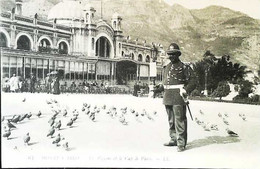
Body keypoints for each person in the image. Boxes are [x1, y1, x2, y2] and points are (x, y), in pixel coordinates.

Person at [162, 42, 194, 152]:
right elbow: (166, 83)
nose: (171, 56)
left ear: (178, 55)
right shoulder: (167, 67)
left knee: (180, 120)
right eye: (169, 54)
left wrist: (186, 89)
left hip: (178, 97)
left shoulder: (184, 67)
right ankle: (173, 139)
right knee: (171, 120)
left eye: (173, 54)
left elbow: (194, 81)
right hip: (167, 96)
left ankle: (181, 143)